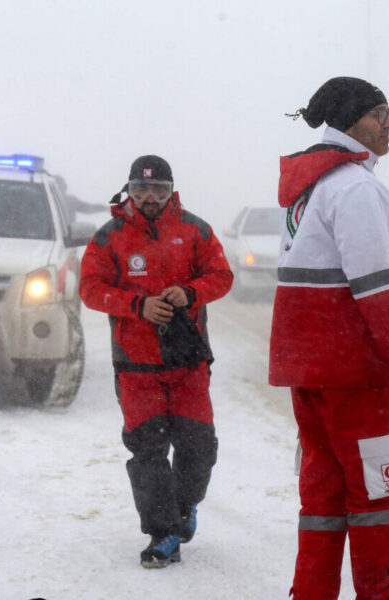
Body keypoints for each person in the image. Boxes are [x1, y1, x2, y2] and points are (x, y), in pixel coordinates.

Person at [269, 77, 389, 600]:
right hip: (355, 371)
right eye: (380, 113)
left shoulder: (309, 185)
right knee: (380, 492)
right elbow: (377, 285)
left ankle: (311, 593)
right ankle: (380, 595)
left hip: (310, 369)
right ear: (350, 120)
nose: (388, 125)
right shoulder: (357, 187)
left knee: (324, 494)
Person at [79, 155, 233, 568]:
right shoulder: (108, 237)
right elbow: (91, 289)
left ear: (171, 192)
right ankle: (163, 534)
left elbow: (222, 276)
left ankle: (185, 507)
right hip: (135, 366)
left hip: (189, 364)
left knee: (197, 447)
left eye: (159, 190)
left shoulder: (195, 229)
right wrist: (136, 305)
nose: (150, 198)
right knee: (147, 452)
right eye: (141, 189)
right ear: (129, 189)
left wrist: (191, 292)